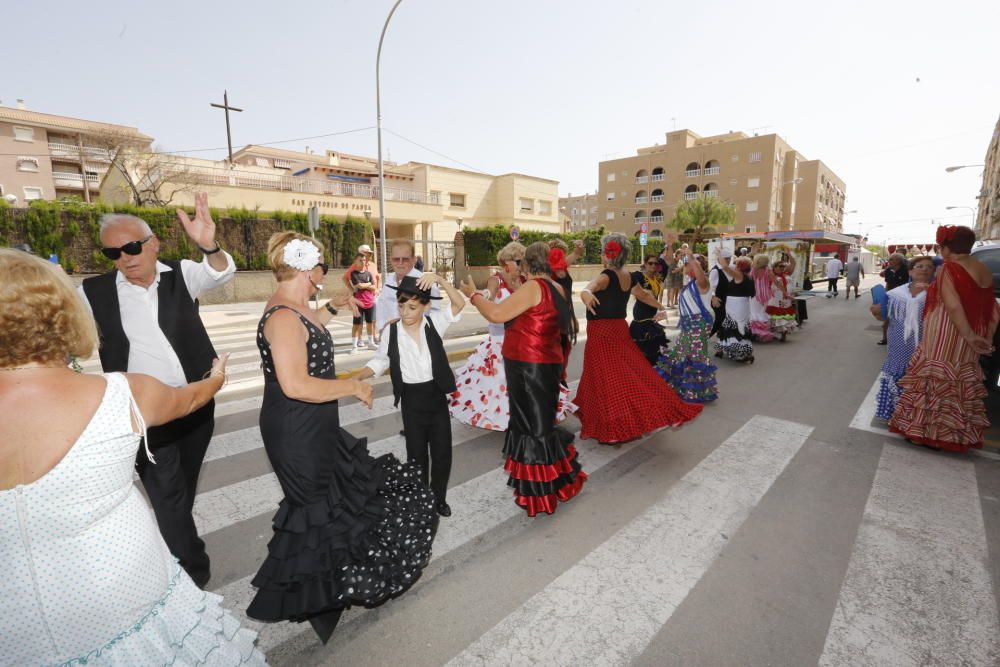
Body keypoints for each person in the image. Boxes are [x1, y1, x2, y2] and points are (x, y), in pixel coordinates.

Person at [0, 249, 265, 665]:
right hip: (126, 597)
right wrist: (216, 376)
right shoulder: (122, 393)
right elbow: (192, 397)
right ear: (63, 315)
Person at [247, 232, 438, 643]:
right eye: (321, 267)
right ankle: (317, 599)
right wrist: (351, 387)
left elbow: (309, 325)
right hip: (296, 428)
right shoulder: (282, 317)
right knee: (316, 511)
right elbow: (296, 383)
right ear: (307, 269)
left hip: (313, 423)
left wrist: (333, 307)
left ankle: (329, 595)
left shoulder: (294, 306)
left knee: (334, 503)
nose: (324, 274)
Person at [78, 193, 234, 588]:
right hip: (145, 415)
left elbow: (221, 273)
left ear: (153, 244)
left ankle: (174, 548)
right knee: (168, 496)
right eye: (113, 252)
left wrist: (209, 246)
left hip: (197, 403)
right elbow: (66, 337)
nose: (125, 257)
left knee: (182, 489)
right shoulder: (93, 293)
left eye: (132, 246)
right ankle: (191, 576)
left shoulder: (181, 273)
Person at [460, 241, 587, 516]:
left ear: (527, 265)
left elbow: (495, 313)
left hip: (528, 368)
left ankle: (542, 495)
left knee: (532, 430)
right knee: (539, 426)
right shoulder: (558, 289)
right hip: (546, 366)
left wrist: (473, 295)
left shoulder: (534, 288)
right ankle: (560, 481)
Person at [575, 233, 702, 444]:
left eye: (602, 250)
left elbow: (590, 287)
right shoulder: (629, 276)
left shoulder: (606, 275)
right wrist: (661, 307)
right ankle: (630, 418)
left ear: (608, 253)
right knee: (629, 374)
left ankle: (613, 429)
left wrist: (586, 294)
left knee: (606, 378)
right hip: (618, 329)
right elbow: (643, 295)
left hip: (602, 332)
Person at [357, 273, 466, 517]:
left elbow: (459, 304)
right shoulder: (391, 333)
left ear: (426, 306)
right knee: (416, 455)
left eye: (412, 306)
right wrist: (356, 379)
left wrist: (440, 279)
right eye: (401, 305)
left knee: (442, 453)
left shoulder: (434, 323)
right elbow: (379, 361)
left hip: (435, 395)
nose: (405, 312)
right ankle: (420, 499)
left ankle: (439, 498)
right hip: (412, 399)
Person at [889, 226, 1000, 453]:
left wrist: (968, 334)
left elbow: (952, 305)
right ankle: (952, 435)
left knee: (935, 376)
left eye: (942, 246)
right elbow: (993, 308)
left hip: (947, 330)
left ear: (949, 246)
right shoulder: (984, 270)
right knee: (959, 381)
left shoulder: (950, 268)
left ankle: (925, 434)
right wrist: (984, 336)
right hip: (973, 332)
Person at [449, 242, 575, 431]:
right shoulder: (500, 280)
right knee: (501, 392)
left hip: (527, 354)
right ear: (505, 263)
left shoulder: (531, 285)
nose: (519, 264)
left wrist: (473, 295)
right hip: (519, 348)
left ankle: (526, 432)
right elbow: (489, 296)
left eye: (521, 260)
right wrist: (480, 294)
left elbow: (498, 313)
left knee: (524, 402)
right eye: (516, 260)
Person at [869, 256, 935, 420]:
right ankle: (894, 414)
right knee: (898, 375)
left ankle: (912, 418)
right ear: (911, 271)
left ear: (934, 272)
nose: (924, 269)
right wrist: (876, 310)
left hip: (927, 344)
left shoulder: (938, 294)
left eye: (929, 267)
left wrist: (932, 292)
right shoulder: (896, 294)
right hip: (899, 344)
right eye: (919, 266)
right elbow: (883, 317)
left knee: (921, 378)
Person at [657, 249, 718, 403]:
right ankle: (683, 388)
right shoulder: (691, 284)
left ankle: (696, 392)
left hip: (699, 323)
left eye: (688, 264)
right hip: (689, 324)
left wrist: (691, 257)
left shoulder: (702, 282)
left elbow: (700, 274)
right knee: (681, 352)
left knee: (695, 356)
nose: (686, 266)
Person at [375, 239, 440, 335]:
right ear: (390, 260)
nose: (400, 263)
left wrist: (403, 324)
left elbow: (436, 317)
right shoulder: (389, 281)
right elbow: (381, 309)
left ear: (414, 260)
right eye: (396, 259)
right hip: (390, 340)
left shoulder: (425, 282)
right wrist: (382, 329)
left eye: (405, 259)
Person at [715, 255, 756, 363]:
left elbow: (725, 267)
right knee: (739, 326)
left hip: (736, 305)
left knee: (733, 326)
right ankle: (744, 352)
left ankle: (740, 353)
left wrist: (720, 253)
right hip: (742, 304)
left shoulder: (739, 275)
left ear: (739, 266)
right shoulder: (749, 276)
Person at [630, 253, 670, 365]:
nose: (653, 265)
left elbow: (668, 261)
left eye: (656, 264)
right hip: (641, 320)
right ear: (645, 264)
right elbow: (642, 294)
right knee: (643, 355)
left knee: (654, 354)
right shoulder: (638, 276)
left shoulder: (658, 278)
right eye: (650, 263)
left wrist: (670, 245)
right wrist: (660, 306)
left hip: (652, 320)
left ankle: (653, 377)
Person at [348, 253, 378, 352]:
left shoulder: (368, 274)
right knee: (356, 324)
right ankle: (354, 346)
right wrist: (369, 284)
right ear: (356, 261)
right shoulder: (354, 274)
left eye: (364, 260)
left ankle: (371, 343)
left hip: (370, 302)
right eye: (361, 260)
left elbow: (374, 287)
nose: (363, 262)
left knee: (370, 323)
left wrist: (367, 285)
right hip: (358, 303)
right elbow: (359, 286)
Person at [878, 253, 910, 345]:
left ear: (898, 261)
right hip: (891, 297)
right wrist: (886, 296)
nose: (889, 261)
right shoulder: (888, 270)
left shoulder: (906, 270)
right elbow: (888, 284)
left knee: (901, 321)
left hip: (903, 299)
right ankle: (885, 339)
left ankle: (901, 341)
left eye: (891, 259)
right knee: (886, 321)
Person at [766, 253, 798, 341]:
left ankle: (783, 334)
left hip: (786, 299)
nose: (782, 268)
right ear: (774, 267)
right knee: (773, 316)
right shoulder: (771, 275)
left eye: (783, 266)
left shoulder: (786, 274)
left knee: (784, 315)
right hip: (774, 299)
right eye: (780, 266)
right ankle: (771, 334)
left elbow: (793, 263)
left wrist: (789, 254)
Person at [749, 254, 774, 342]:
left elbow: (750, 280)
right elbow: (773, 281)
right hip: (766, 295)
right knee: (761, 313)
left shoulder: (753, 270)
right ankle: (761, 334)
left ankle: (754, 333)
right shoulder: (768, 271)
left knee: (754, 313)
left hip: (755, 294)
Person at [708, 248, 731, 338]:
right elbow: (710, 287)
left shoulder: (728, 269)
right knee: (720, 320)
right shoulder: (715, 271)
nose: (728, 260)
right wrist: (713, 298)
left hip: (726, 300)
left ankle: (722, 338)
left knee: (722, 320)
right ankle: (704, 338)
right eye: (726, 259)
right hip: (718, 299)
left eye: (729, 258)